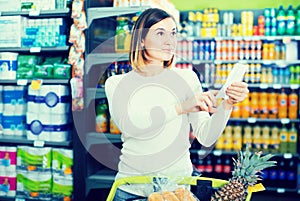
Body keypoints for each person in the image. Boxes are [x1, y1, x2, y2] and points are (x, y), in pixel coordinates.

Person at [105, 8, 249, 201]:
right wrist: (182, 107)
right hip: (131, 189)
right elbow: (131, 126)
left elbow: (206, 137)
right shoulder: (116, 83)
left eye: (173, 33)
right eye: (160, 33)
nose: (169, 41)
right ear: (140, 40)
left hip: (177, 191)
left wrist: (227, 105)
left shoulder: (188, 78)